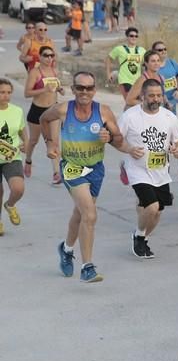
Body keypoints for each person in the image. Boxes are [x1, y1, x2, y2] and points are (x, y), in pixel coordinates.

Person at [39, 71, 128, 283]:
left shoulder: (104, 112)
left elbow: (118, 139)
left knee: (80, 215)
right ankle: (87, 267)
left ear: (94, 90)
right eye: (80, 88)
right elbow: (43, 119)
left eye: (89, 88)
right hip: (72, 167)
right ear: (73, 89)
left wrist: (109, 137)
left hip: (96, 169)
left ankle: (66, 249)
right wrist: (50, 143)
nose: (84, 92)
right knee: (89, 215)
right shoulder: (63, 109)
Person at [117, 79, 178, 258]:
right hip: (137, 169)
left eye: (159, 95)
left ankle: (143, 238)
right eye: (151, 96)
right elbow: (116, 139)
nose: (155, 99)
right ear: (142, 97)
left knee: (156, 213)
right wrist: (129, 149)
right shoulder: (130, 116)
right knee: (152, 206)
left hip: (161, 171)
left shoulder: (169, 116)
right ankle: (139, 236)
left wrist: (177, 148)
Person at [24, 46, 65, 186]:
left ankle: (56, 173)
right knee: (33, 141)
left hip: (52, 110)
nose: (49, 58)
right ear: (40, 57)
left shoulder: (55, 71)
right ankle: (28, 160)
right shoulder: (35, 72)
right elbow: (27, 93)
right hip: (37, 110)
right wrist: (43, 89)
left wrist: (60, 89)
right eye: (46, 55)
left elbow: (57, 88)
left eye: (51, 56)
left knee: (53, 142)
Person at [0, 79, 29, 237]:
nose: (6, 96)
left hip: (12, 157)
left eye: (8, 92)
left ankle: (10, 205)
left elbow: (22, 131)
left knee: (18, 188)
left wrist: (26, 143)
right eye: (2, 92)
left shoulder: (17, 111)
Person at [106, 27, 145, 101]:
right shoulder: (119, 49)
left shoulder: (142, 50)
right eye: (131, 36)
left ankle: (127, 112)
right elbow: (108, 59)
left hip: (137, 80)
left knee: (136, 102)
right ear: (127, 37)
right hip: (125, 80)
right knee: (130, 101)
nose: (134, 37)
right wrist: (108, 74)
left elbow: (147, 62)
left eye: (136, 36)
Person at [152, 41, 178, 114]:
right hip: (158, 102)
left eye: (165, 49)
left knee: (171, 124)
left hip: (172, 101)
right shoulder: (152, 66)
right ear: (154, 52)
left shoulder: (173, 63)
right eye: (160, 50)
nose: (163, 51)